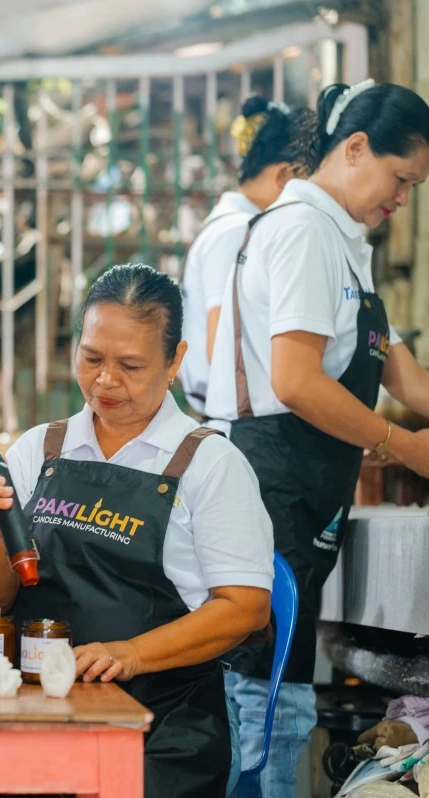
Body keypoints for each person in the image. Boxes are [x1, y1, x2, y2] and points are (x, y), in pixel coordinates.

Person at [0, 264, 274, 798]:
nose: (105, 381)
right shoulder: (40, 450)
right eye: (92, 358)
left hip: (164, 721)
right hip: (36, 706)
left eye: (130, 365)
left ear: (175, 361)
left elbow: (246, 609)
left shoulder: (209, 464)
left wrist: (130, 653)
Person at [205, 79, 429, 796]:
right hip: (269, 481)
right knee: (266, 696)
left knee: (283, 686)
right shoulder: (301, 230)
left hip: (308, 486)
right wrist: (405, 446)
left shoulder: (345, 242)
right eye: (401, 179)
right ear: (356, 148)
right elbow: (297, 381)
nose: (403, 200)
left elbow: (405, 376)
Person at [178, 97, 317, 417]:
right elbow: (223, 348)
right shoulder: (235, 232)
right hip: (241, 419)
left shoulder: (233, 225)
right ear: (286, 174)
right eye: (309, 181)